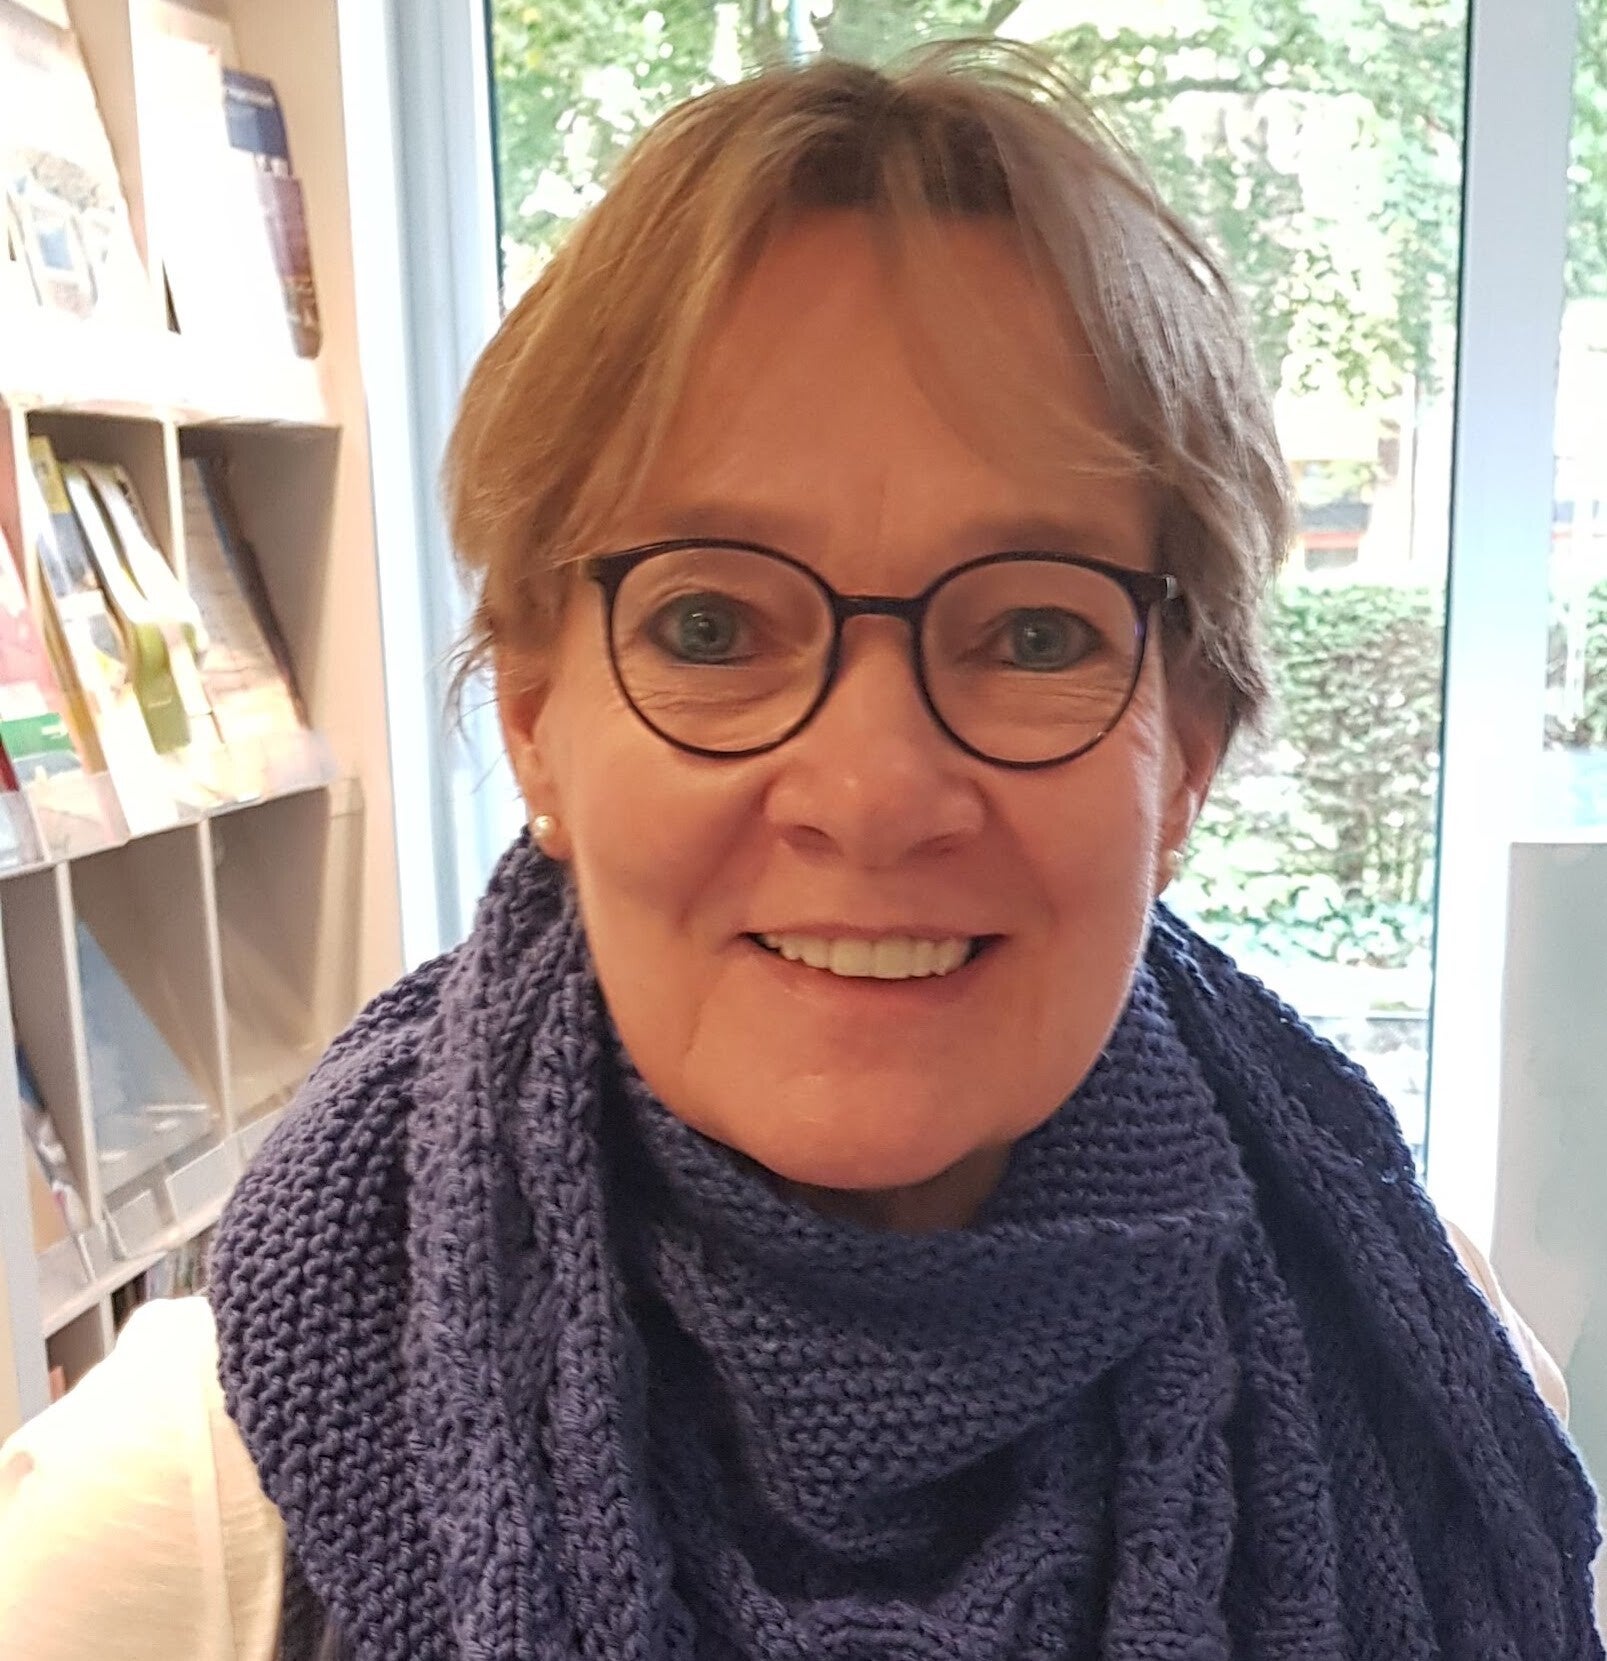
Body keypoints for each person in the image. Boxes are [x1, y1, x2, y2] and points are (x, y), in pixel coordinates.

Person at [1, 40, 1600, 1661]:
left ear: (1184, 755)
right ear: (539, 720)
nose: (874, 787)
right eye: (711, 623)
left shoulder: (1433, 1392)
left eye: (1035, 632)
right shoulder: (182, 1532)